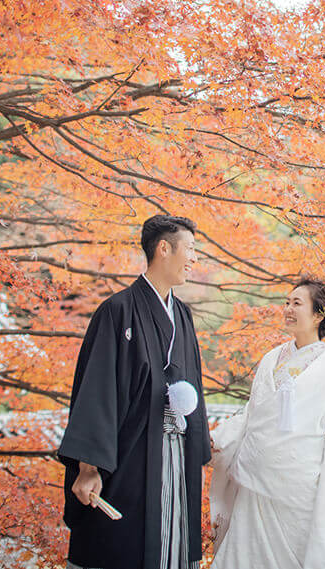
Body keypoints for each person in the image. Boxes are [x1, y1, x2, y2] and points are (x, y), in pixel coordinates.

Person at [208, 275, 325, 569]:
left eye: (297, 303)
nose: (288, 309)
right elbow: (251, 415)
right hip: (255, 481)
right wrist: (220, 439)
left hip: (297, 490)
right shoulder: (272, 358)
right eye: (286, 302)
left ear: (319, 314)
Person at [57, 214, 210, 569]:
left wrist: (202, 446)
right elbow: (97, 392)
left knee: (172, 544)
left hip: (176, 453)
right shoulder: (117, 311)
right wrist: (88, 465)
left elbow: (195, 387)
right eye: (190, 249)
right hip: (129, 456)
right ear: (163, 248)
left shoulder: (182, 315)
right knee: (122, 546)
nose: (194, 258)